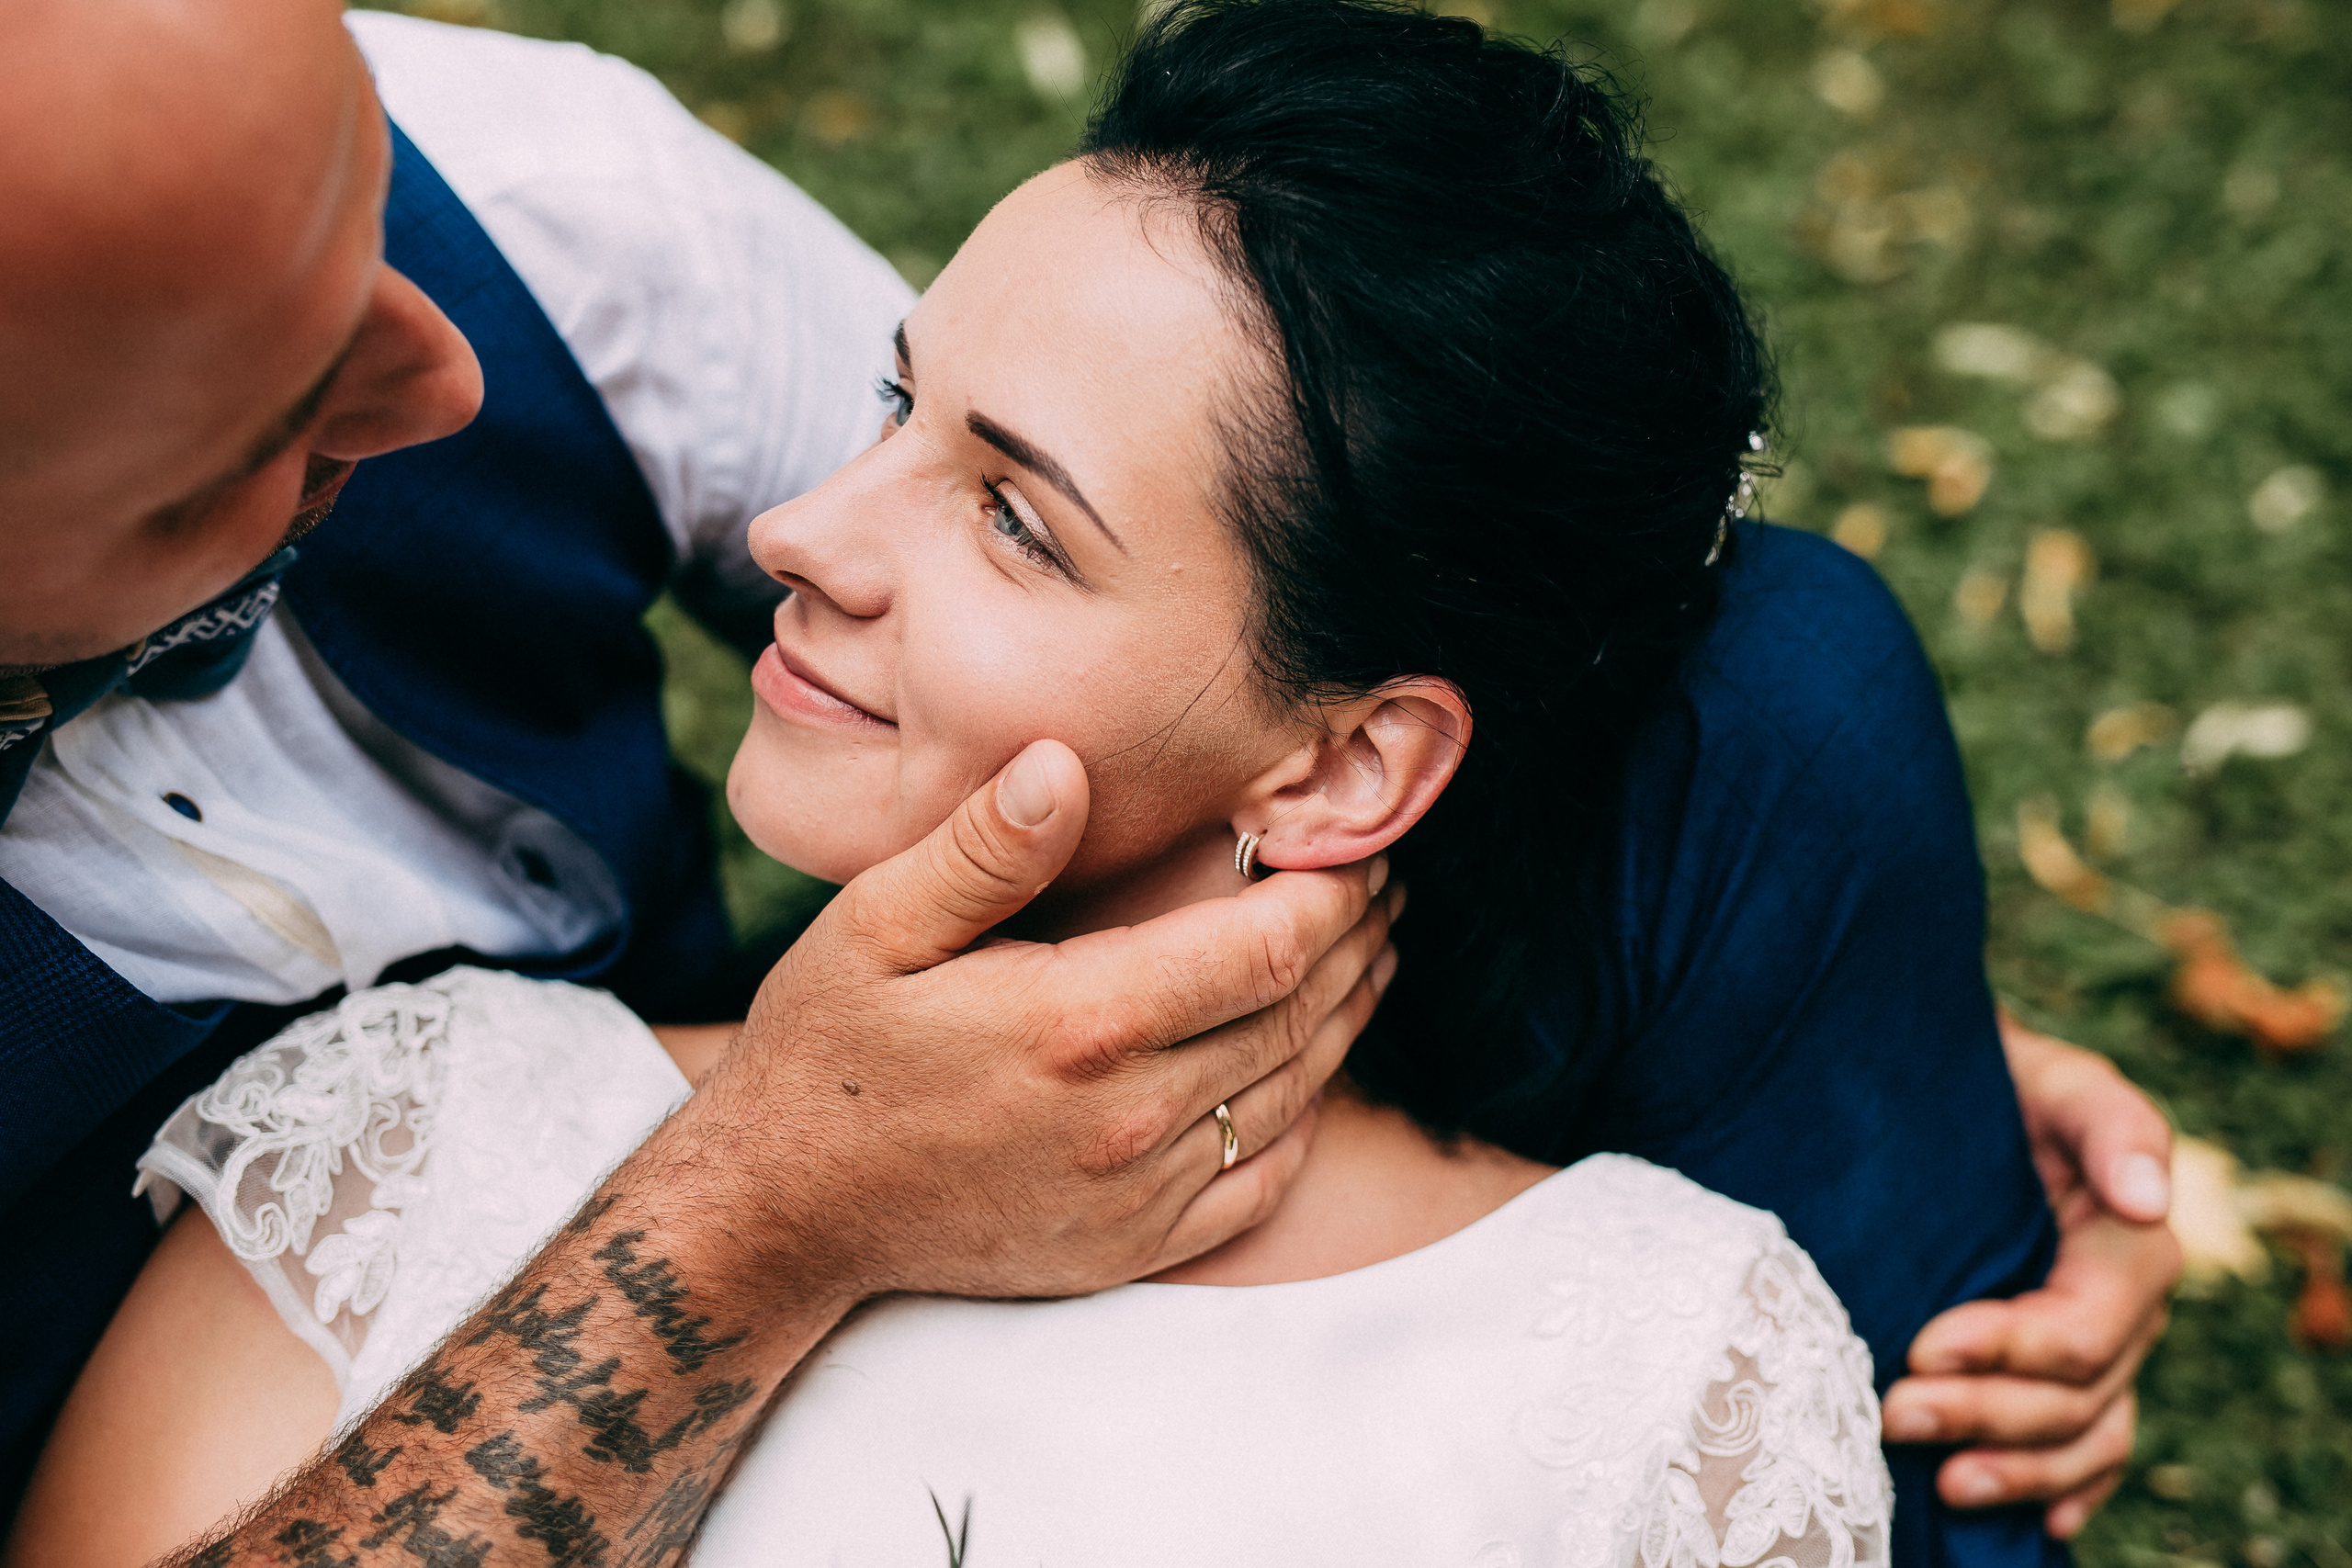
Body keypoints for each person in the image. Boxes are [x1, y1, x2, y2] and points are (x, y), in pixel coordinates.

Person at [0, 0, 2175, 1561]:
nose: (795, 524)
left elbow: (1212, 459)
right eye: (279, 403)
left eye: (986, 491)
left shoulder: (548, 213)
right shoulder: (421, 1129)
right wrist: (758, 1206)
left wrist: (1841, 1009)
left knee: (1778, 683)